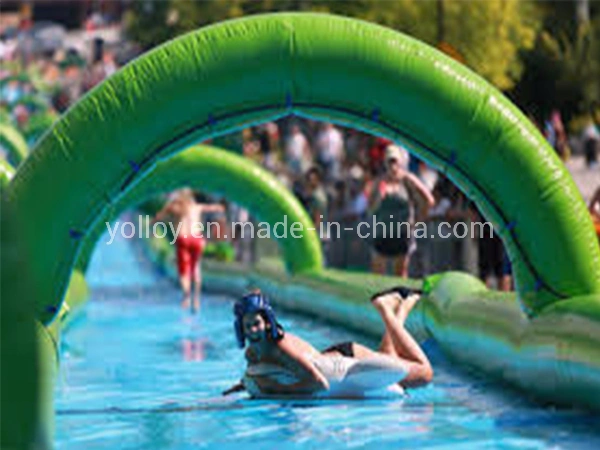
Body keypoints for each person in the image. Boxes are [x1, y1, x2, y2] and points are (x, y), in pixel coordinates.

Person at [223, 288, 432, 398]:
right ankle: (401, 307)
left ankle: (387, 310)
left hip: (349, 359)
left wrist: (275, 390)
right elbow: (263, 373)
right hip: (332, 356)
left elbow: (319, 384)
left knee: (424, 374)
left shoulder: (282, 348)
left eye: (256, 324)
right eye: (247, 326)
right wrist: (244, 386)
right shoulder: (252, 353)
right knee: (387, 354)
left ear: (268, 323)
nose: (252, 331)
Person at [153, 189, 225, 312]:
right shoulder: (197, 207)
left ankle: (186, 296)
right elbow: (214, 208)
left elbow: (159, 216)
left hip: (183, 239)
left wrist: (154, 221)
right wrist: (220, 207)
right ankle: (196, 299)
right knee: (195, 268)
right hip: (197, 239)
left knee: (184, 271)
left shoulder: (175, 207)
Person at [369, 145, 435, 277]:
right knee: (377, 275)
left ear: (400, 162)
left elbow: (429, 200)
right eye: (389, 161)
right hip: (383, 233)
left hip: (403, 235)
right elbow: (371, 208)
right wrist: (379, 197)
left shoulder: (407, 180)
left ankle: (400, 297)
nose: (392, 165)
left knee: (400, 275)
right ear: (385, 163)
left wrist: (418, 222)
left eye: (395, 161)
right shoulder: (379, 182)